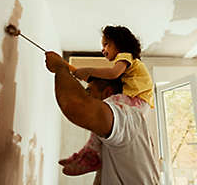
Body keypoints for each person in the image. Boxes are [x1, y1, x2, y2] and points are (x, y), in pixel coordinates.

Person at [45, 51, 160, 184]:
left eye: (89, 92)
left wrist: (60, 68)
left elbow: (78, 107)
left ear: (108, 93)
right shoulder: (118, 125)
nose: (87, 97)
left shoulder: (126, 117)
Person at [59, 25, 155, 177]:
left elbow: (112, 73)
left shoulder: (125, 56)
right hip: (140, 103)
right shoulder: (128, 65)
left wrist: (88, 70)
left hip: (138, 100)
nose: (103, 50)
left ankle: (90, 155)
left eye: (106, 44)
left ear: (120, 43)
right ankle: (88, 153)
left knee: (107, 105)